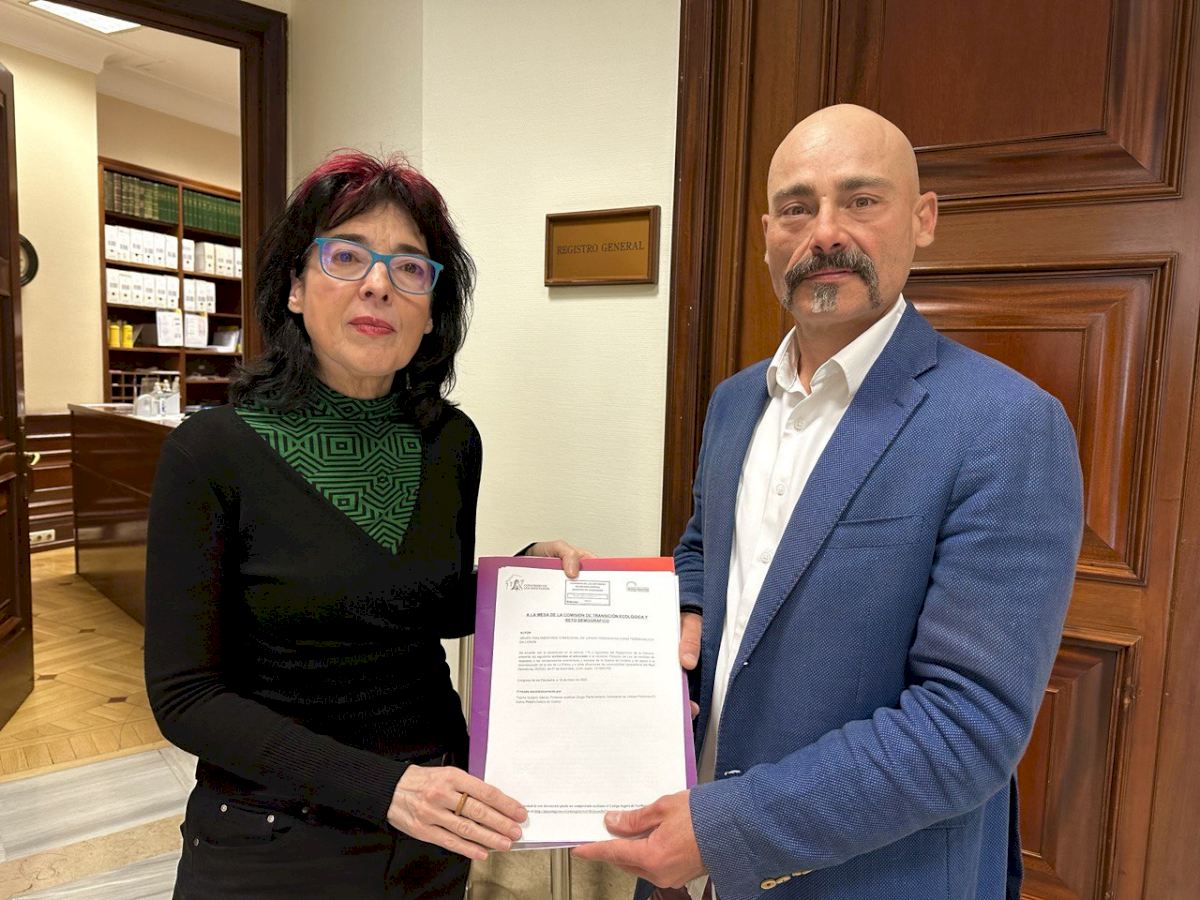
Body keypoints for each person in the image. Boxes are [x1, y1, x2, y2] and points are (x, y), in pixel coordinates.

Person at [574, 105, 1084, 899]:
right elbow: (707, 546)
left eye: (861, 200)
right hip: (684, 862)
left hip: (870, 877)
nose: (825, 233)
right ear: (766, 235)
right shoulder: (735, 402)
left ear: (923, 219)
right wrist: (688, 606)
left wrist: (726, 832)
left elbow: (968, 726)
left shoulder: (1007, 424)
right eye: (797, 207)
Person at [144, 151, 590, 899]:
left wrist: (525, 575)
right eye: (346, 256)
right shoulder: (211, 452)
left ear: (432, 309)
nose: (379, 283)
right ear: (294, 287)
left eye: (410, 268)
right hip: (273, 830)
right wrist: (385, 787)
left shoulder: (449, 440)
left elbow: (425, 607)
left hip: (432, 823)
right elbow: (186, 698)